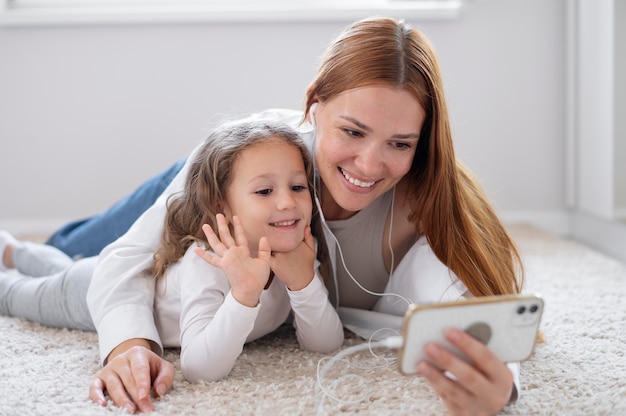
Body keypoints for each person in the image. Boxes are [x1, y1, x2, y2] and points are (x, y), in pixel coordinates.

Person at [48, 16, 523, 415]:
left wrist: (505, 384)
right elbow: (127, 256)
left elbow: (474, 300)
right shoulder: (261, 150)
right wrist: (129, 346)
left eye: (400, 143)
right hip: (209, 182)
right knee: (67, 249)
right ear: (315, 105)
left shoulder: (424, 200)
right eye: (352, 131)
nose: (370, 165)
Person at [0, 119, 343, 386]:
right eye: (265, 190)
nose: (287, 202)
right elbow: (200, 368)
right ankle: (14, 254)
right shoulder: (206, 261)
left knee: (60, 265)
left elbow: (325, 345)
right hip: (88, 290)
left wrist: (304, 284)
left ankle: (14, 250)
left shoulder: (297, 253)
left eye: (298, 187)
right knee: (15, 295)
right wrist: (244, 294)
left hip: (88, 272)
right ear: (220, 204)